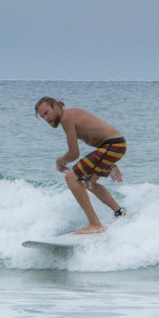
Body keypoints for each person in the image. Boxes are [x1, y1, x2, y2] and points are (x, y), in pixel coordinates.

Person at [35, 96, 127, 234]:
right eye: (42, 117)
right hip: (113, 146)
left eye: (47, 113)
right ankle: (120, 213)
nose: (46, 119)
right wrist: (110, 160)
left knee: (71, 177)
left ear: (55, 106)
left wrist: (60, 161)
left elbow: (74, 153)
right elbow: (98, 135)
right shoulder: (69, 116)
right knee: (89, 183)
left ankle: (95, 224)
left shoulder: (67, 117)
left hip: (112, 145)